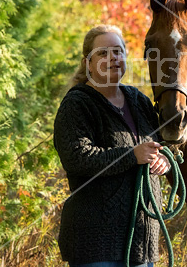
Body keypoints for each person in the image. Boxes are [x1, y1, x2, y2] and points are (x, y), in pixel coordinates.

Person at [54, 25, 170, 267]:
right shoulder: (77, 103)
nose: (113, 58)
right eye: (103, 53)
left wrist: (163, 160)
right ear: (88, 63)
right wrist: (132, 155)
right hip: (97, 243)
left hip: (141, 240)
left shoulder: (139, 100)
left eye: (118, 51)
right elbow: (77, 157)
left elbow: (161, 145)